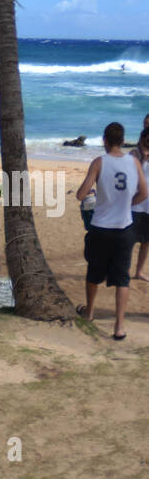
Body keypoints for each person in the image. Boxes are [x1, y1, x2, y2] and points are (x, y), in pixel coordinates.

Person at [76, 121, 148, 340]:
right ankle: (119, 327)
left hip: (101, 227)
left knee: (94, 273)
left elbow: (81, 194)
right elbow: (144, 192)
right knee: (122, 279)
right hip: (124, 228)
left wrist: (94, 195)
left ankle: (89, 313)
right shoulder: (134, 162)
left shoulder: (99, 162)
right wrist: (128, 204)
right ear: (123, 140)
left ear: (104, 141)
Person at [130, 129, 149, 283]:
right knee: (128, 241)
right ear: (142, 138)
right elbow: (133, 174)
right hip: (135, 204)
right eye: (147, 139)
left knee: (146, 243)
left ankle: (139, 272)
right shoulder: (134, 154)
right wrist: (143, 157)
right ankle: (122, 270)